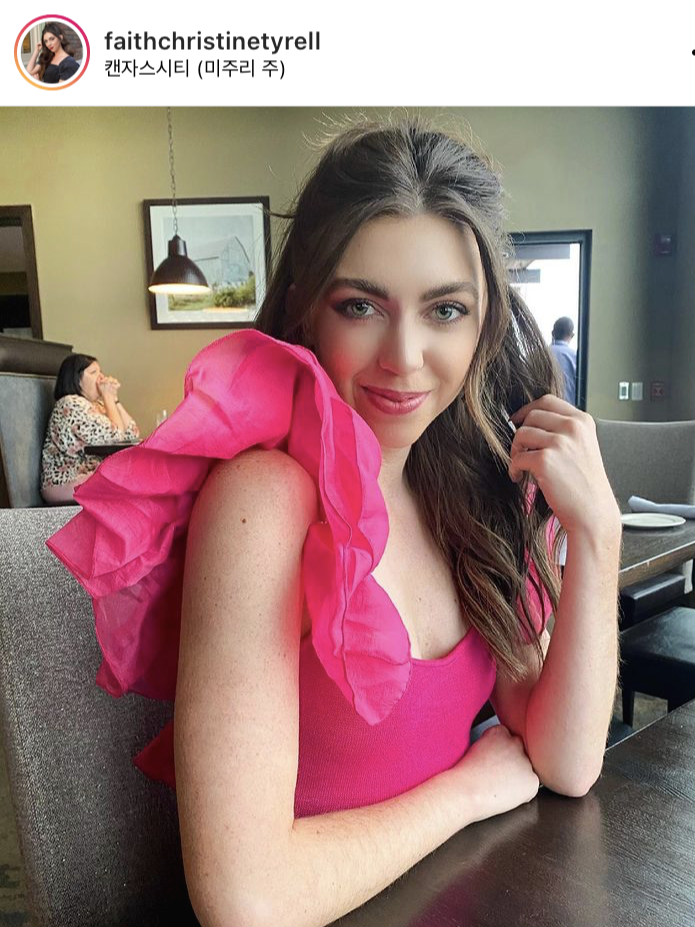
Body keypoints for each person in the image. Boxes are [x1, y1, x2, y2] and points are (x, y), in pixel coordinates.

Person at [47, 121, 621, 926]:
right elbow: (246, 902)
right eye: (361, 305)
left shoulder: (470, 494)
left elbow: (566, 760)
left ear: (484, 321)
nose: (405, 356)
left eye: (445, 309)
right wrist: (466, 789)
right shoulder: (263, 501)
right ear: (305, 307)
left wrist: (597, 535)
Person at [41, 353, 139, 504]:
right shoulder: (70, 404)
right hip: (66, 481)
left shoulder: (96, 405)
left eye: (101, 372)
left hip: (90, 475)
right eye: (94, 372)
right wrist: (108, 397)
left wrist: (114, 399)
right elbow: (115, 436)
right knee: (133, 480)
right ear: (77, 379)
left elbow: (132, 433)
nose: (101, 378)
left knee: (139, 474)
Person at [550, 316, 578, 405]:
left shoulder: (537, 354)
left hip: (540, 410)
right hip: (570, 409)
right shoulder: (576, 357)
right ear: (572, 336)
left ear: (553, 333)